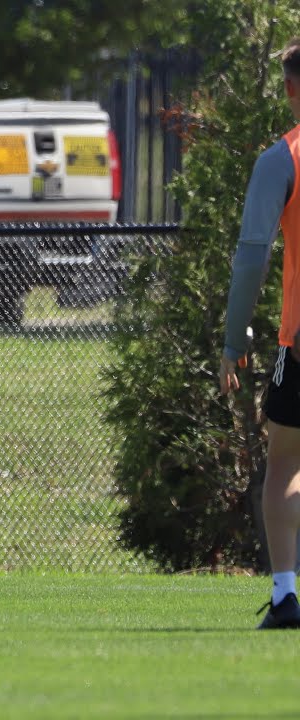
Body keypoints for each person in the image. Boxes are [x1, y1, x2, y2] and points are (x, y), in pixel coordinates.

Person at [219, 38, 300, 629]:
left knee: (286, 464)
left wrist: (233, 338)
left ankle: (285, 595)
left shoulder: (284, 157)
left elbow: (252, 255)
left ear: (292, 88)